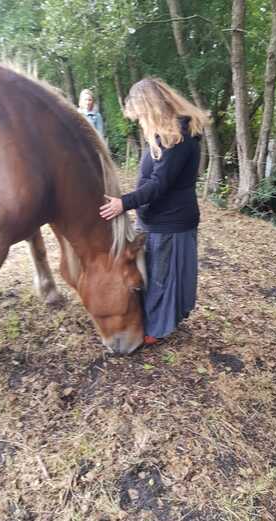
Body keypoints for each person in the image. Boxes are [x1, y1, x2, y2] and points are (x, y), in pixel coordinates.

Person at [99, 78, 209, 345]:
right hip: (155, 218)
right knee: (151, 273)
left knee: (160, 276)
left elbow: (159, 184)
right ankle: (155, 318)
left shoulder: (178, 138)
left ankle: (156, 330)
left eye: (140, 115)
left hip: (170, 221)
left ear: (151, 107)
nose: (139, 122)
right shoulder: (165, 134)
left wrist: (123, 203)